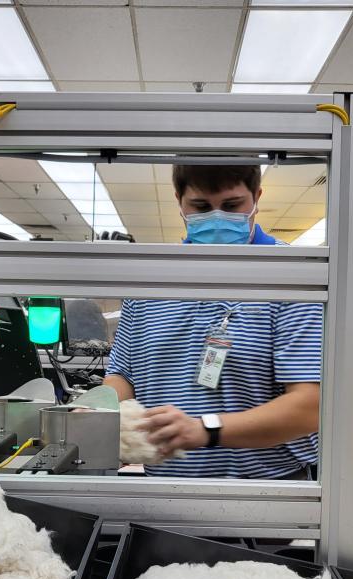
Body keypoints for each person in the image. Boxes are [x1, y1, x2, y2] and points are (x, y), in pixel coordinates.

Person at [104, 165, 323, 479]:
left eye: (233, 206)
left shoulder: (294, 278)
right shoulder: (149, 284)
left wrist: (205, 429)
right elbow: (122, 377)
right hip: (161, 493)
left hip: (269, 495)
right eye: (201, 207)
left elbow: (310, 406)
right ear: (179, 201)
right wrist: (100, 415)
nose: (217, 217)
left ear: (257, 197)